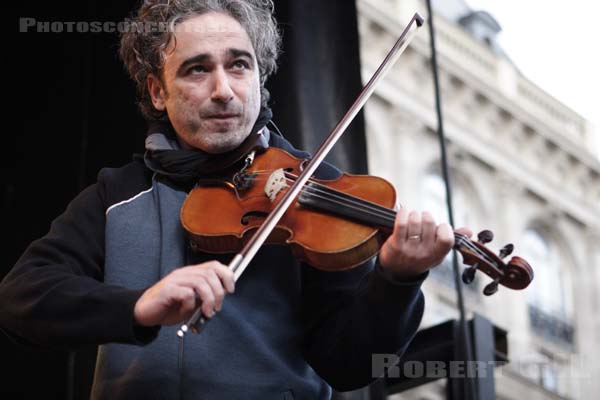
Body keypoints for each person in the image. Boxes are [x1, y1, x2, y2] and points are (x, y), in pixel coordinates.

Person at [0, 1, 469, 398]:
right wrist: (139, 306)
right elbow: (23, 298)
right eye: (198, 69)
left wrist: (398, 279)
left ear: (258, 77)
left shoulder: (315, 188)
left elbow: (350, 362)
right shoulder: (116, 194)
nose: (223, 90)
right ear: (158, 91)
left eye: (238, 65)